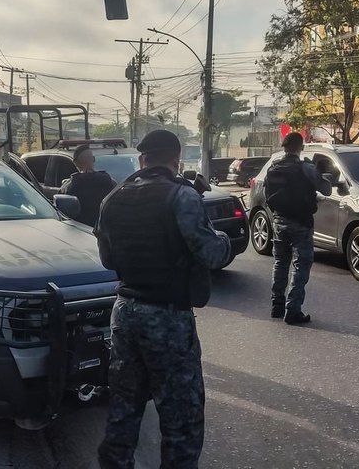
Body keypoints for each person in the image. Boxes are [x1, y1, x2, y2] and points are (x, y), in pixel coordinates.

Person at [95, 130, 231, 469]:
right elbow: (212, 255)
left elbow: (108, 260)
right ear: (176, 161)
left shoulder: (113, 198)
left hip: (124, 313)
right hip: (167, 318)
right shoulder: (183, 197)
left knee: (125, 406)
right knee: (181, 418)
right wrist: (223, 237)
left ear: (142, 160)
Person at [264, 132, 332, 325]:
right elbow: (326, 189)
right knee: (301, 264)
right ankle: (292, 310)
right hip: (301, 222)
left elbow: (267, 194)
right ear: (300, 147)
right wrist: (320, 174)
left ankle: (276, 306)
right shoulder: (306, 168)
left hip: (280, 220)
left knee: (280, 262)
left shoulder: (273, 168)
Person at [58, 144, 117, 227]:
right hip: (105, 229)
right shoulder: (109, 181)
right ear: (93, 160)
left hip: (80, 231)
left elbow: (60, 208)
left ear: (75, 163)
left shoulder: (70, 185)